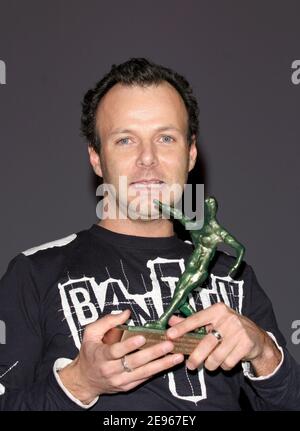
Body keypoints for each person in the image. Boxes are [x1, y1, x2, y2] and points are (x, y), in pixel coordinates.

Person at [0, 58, 299, 411]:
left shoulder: (232, 276)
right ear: (96, 158)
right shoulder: (34, 273)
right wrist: (79, 383)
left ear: (190, 154)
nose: (147, 159)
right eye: (125, 140)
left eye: (166, 138)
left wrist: (264, 352)